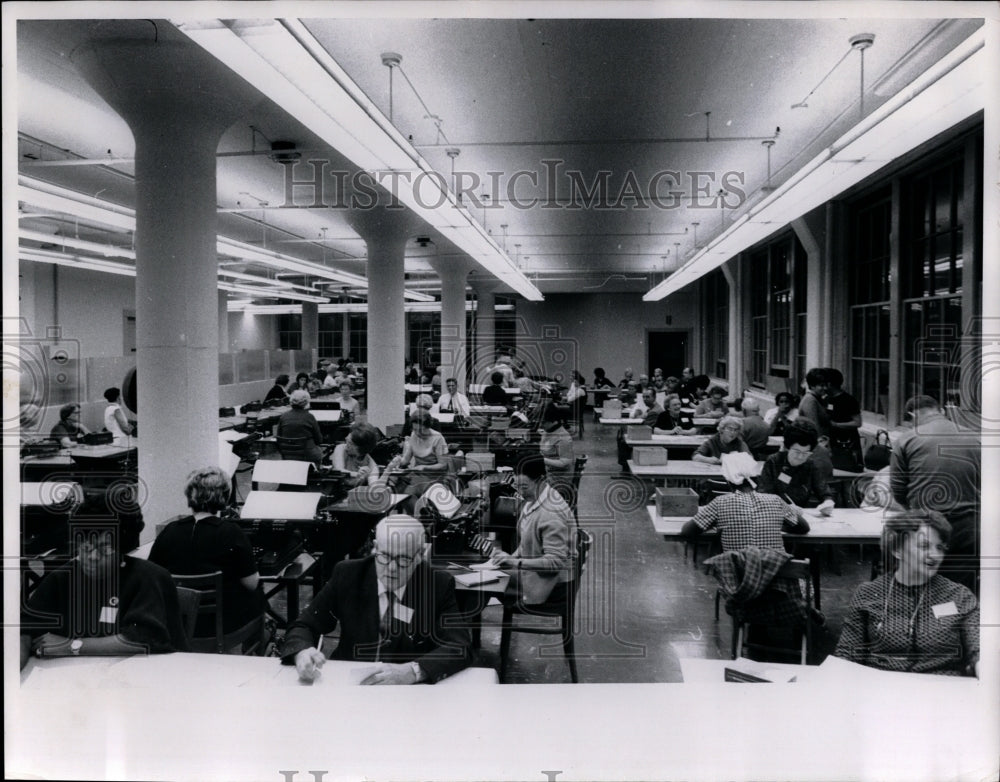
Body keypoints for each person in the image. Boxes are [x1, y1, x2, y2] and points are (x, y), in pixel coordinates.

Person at [280, 515, 471, 684]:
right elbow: (304, 625)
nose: (392, 568)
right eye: (384, 556)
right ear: (375, 548)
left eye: (403, 560)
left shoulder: (437, 584)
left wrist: (413, 671)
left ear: (420, 556)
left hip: (406, 692)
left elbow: (459, 646)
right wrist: (302, 652)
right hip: (351, 681)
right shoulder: (348, 574)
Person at [20, 495, 188, 670]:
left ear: (122, 548)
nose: (92, 557)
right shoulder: (61, 578)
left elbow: (143, 639)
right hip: (77, 680)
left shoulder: (148, 577)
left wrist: (71, 646)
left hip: (143, 676)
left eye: (104, 549)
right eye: (86, 547)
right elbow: (25, 628)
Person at [834, 510, 978, 676]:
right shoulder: (868, 593)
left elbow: (979, 648)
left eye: (940, 547)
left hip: (939, 692)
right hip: (881, 689)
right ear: (897, 550)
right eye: (924, 546)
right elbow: (847, 653)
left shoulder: (959, 596)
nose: (935, 555)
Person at [148, 467, 266, 638]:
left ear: (189, 495)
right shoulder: (232, 532)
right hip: (222, 626)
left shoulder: (170, 530)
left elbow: (153, 576)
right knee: (258, 597)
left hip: (178, 624)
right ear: (224, 497)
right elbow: (251, 584)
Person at [890, 395, 980, 592]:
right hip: (969, 526)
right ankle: (955, 619)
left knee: (925, 585)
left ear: (912, 415)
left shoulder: (907, 439)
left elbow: (898, 489)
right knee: (961, 588)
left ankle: (929, 621)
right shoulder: (975, 437)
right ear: (942, 411)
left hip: (928, 525)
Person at [489, 457, 575, 606]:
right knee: (486, 578)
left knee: (481, 586)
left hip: (552, 585)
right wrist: (509, 558)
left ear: (541, 479)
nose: (520, 493)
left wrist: (516, 562)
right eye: (517, 486)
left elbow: (555, 562)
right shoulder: (536, 499)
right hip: (538, 574)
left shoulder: (551, 513)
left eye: (524, 487)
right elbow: (526, 542)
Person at [681, 453, 810, 552]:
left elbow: (687, 531)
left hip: (737, 578)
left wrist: (716, 522)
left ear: (728, 480)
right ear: (756, 477)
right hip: (773, 577)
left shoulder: (720, 503)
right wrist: (775, 522)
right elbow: (804, 528)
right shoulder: (775, 500)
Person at [757, 420, 835, 513]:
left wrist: (828, 502)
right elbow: (763, 495)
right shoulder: (774, 462)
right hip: (775, 514)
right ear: (787, 448)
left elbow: (823, 491)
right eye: (797, 452)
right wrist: (785, 507)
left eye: (806, 453)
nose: (800, 457)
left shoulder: (810, 465)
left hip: (801, 514)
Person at [384, 410, 448, 505]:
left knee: (408, 492)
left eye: (420, 430)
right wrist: (398, 463)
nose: (417, 433)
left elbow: (443, 465)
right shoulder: (414, 435)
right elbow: (406, 459)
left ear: (428, 426)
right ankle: (413, 514)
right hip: (418, 474)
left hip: (434, 476)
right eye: (414, 429)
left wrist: (424, 467)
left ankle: (418, 515)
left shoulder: (438, 438)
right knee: (397, 487)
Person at [824, 368, 863, 471]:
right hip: (832, 441)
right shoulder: (826, 398)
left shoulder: (848, 400)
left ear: (829, 384)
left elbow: (857, 422)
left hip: (847, 442)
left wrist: (836, 424)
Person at [276, 389, 325, 466]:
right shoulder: (309, 416)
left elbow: (279, 437)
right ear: (306, 402)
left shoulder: (283, 416)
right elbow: (319, 440)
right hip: (307, 455)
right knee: (319, 451)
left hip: (288, 455)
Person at [538, 402, 575, 501]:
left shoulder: (564, 438)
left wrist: (542, 460)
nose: (541, 425)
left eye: (543, 422)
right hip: (549, 474)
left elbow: (565, 463)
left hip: (559, 479)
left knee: (528, 489)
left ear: (553, 421)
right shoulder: (548, 431)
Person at [331, 422, 381, 487]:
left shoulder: (369, 462)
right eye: (346, 439)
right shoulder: (340, 448)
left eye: (349, 442)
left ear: (359, 448)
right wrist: (356, 474)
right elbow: (339, 470)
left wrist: (370, 477)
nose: (346, 442)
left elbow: (374, 484)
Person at [796, 368, 830, 438]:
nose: (825, 388)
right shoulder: (810, 400)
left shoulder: (818, 398)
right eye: (821, 385)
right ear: (812, 386)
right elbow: (814, 426)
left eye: (826, 385)